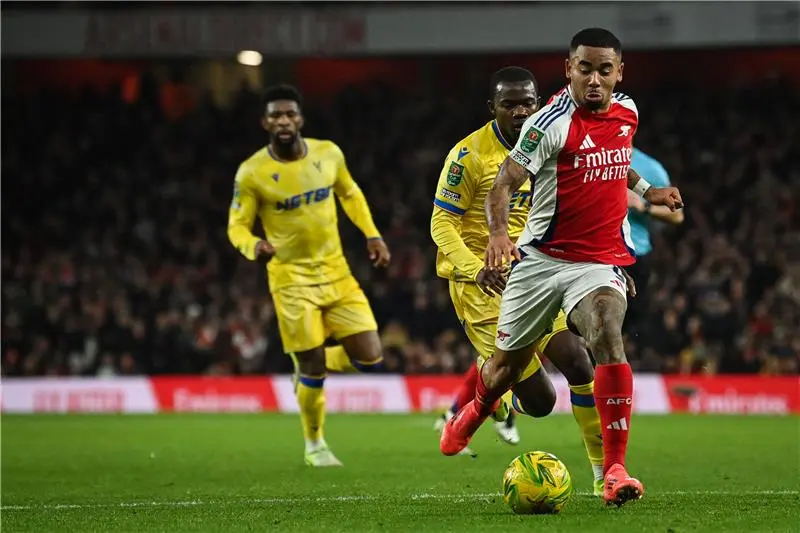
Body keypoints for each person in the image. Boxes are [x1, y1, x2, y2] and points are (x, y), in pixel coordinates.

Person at [440, 28, 683, 508]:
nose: (595, 79)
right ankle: (475, 410)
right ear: (569, 69)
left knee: (604, 335)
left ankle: (612, 471)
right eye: (585, 69)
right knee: (508, 372)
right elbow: (503, 185)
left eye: (605, 69)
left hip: (595, 261)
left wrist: (647, 191)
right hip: (540, 262)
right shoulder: (548, 123)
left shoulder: (628, 111)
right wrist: (495, 236)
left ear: (619, 72)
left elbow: (618, 161)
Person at [430, 66, 608, 496]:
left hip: (532, 276)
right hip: (481, 288)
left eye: (527, 102)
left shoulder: (547, 144)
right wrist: (477, 269)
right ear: (492, 108)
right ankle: (479, 401)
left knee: (580, 360)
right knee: (541, 403)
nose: (520, 111)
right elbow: (441, 223)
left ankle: (605, 472)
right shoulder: (468, 155)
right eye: (509, 104)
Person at [228, 84, 391, 467]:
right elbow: (236, 225)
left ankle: (304, 366)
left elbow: (350, 194)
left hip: (337, 271)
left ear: (300, 118)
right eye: (275, 115)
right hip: (291, 280)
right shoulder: (252, 172)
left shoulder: (328, 153)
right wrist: (252, 246)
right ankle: (315, 444)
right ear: (265, 122)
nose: (283, 121)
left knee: (371, 357)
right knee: (315, 368)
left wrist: (372, 234)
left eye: (289, 114)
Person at [624, 149, 684, 341]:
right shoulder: (593, 154)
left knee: (625, 329)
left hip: (635, 255)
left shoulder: (651, 168)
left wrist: (643, 206)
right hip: (596, 251)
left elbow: (677, 214)